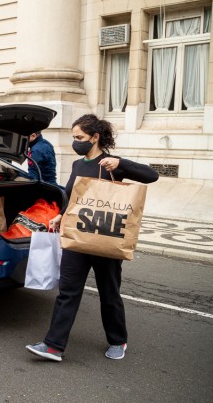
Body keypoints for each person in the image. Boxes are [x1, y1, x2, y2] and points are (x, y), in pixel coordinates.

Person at [26, 114, 158, 363]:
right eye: (74, 137)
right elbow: (74, 198)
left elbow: (151, 176)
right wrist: (60, 216)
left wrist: (120, 163)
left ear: (95, 137)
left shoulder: (111, 163)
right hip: (77, 237)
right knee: (67, 292)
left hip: (105, 238)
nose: (76, 142)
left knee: (109, 293)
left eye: (80, 138)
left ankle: (118, 340)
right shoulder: (78, 166)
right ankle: (53, 346)